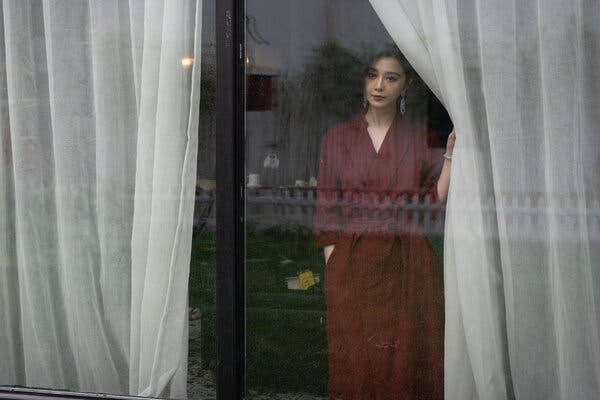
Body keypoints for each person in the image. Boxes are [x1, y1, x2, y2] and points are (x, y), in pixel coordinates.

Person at [313, 47, 455, 400]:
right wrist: (334, 261)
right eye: (372, 75)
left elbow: (431, 203)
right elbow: (327, 206)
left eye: (391, 78)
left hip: (408, 262)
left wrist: (450, 156)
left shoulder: (421, 138)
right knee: (356, 363)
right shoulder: (338, 137)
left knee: (406, 363)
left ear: (405, 86)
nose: (379, 85)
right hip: (353, 263)